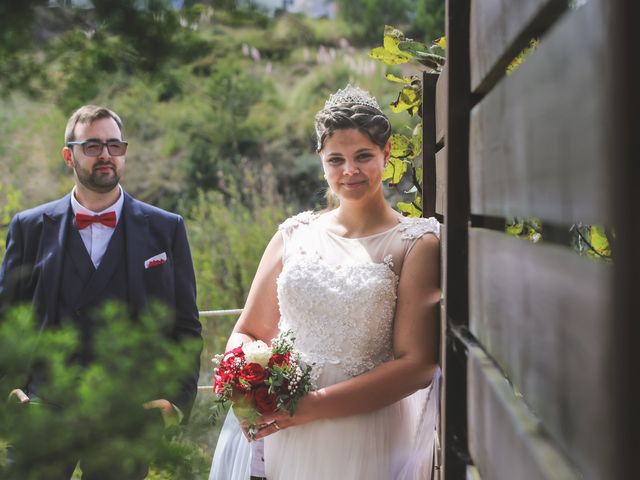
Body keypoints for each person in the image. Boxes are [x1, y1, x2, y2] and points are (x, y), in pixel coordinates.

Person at [209, 85, 441, 480]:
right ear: (321, 162)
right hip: (284, 429)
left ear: (385, 155)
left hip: (366, 433)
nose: (349, 171)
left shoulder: (415, 242)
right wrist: (247, 385)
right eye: (336, 159)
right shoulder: (293, 234)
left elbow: (417, 364)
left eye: (363, 156)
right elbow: (247, 331)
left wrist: (312, 406)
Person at [0, 105, 203, 479]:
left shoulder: (165, 228)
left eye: (114, 145)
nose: (106, 154)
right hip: (41, 413)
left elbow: (185, 325)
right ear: (69, 156)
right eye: (92, 146)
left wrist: (176, 401)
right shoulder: (29, 227)